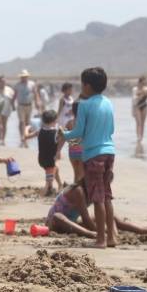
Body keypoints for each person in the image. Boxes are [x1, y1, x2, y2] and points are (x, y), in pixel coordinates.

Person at [60, 67, 116, 248]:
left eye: (82, 84)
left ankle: (101, 240)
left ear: (88, 86)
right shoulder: (108, 103)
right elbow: (112, 129)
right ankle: (111, 237)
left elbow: (78, 131)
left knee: (97, 198)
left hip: (93, 154)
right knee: (106, 196)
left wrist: (64, 134)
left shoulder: (84, 105)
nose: (81, 87)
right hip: (109, 151)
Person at [45, 180, 147, 238]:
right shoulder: (79, 190)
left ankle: (141, 230)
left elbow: (102, 212)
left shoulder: (94, 191)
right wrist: (98, 232)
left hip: (73, 223)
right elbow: (86, 219)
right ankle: (90, 234)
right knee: (58, 216)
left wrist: (108, 227)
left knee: (110, 216)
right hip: (55, 224)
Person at [32, 109, 61, 195]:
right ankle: (45, 190)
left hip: (41, 159)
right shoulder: (56, 133)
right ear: (55, 120)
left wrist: (26, 129)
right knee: (50, 175)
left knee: (55, 169)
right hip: (50, 160)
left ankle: (59, 184)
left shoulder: (39, 131)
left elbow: (26, 136)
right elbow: (64, 140)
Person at [132, 76, 147, 143]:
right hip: (137, 106)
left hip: (144, 106)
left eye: (144, 83)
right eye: (142, 83)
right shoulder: (135, 89)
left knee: (143, 123)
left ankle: (141, 137)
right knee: (138, 122)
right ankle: (138, 137)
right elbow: (134, 99)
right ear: (139, 83)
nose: (143, 85)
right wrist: (141, 94)